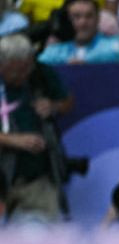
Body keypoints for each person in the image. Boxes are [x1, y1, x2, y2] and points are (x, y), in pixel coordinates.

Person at [0, 33, 73, 222]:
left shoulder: (40, 74)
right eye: (17, 71)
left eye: (27, 68)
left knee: (46, 239)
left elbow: (67, 102)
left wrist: (53, 106)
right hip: (2, 175)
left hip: (35, 179)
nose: (24, 76)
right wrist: (11, 140)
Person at [38, 0, 119, 64]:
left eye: (89, 16)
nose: (83, 22)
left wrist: (85, 64)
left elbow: (114, 53)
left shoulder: (113, 45)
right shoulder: (56, 49)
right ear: (67, 20)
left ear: (98, 19)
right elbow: (41, 64)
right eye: (76, 17)